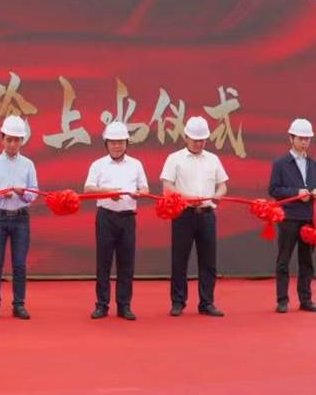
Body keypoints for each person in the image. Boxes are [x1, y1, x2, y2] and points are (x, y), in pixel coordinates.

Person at [160, 116, 228, 317]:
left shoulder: (213, 159)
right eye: (195, 139)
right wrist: (187, 198)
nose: (199, 143)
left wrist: (218, 195)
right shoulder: (175, 158)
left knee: (208, 260)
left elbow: (222, 185)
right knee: (179, 259)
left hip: (207, 214)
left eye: (202, 140)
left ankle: (207, 302)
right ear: (186, 137)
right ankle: (178, 302)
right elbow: (167, 187)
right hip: (183, 214)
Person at [84, 121, 149, 320]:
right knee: (103, 263)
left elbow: (145, 188)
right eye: (113, 142)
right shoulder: (98, 164)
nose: (117, 146)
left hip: (128, 218)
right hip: (106, 217)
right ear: (106, 144)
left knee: (126, 263)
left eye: (120, 142)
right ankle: (102, 305)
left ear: (127, 143)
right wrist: (107, 192)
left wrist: (139, 193)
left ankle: (124, 305)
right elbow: (88, 189)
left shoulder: (136, 164)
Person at [0, 116, 38, 320]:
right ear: (2, 138)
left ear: (22, 141)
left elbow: (34, 192)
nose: (13, 144)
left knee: (19, 264)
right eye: (9, 139)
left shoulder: (28, 164)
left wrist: (23, 193)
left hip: (21, 218)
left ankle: (19, 304)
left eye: (17, 140)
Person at [268, 118, 316, 313]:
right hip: (289, 218)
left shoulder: (314, 165)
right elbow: (274, 190)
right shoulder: (280, 164)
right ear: (291, 138)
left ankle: (306, 300)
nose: (304, 142)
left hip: (309, 219)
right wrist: (296, 192)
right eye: (300, 138)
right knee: (283, 260)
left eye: (307, 139)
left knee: (307, 261)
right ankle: (282, 300)